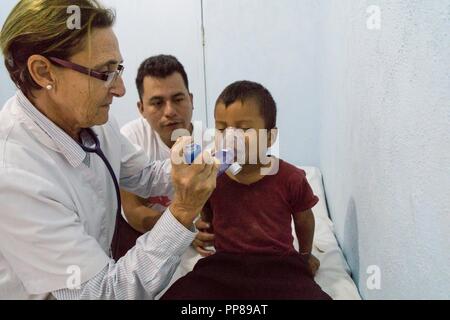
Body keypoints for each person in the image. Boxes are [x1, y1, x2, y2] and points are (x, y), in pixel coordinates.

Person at [0, 0, 217, 300]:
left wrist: (212, 160)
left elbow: (145, 175)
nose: (120, 89)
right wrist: (182, 212)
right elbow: (103, 293)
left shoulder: (93, 120)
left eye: (118, 69)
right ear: (44, 72)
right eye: (104, 73)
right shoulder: (14, 175)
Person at [161, 81, 331, 300]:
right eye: (222, 128)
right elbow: (207, 216)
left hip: (279, 265)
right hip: (225, 265)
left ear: (270, 137)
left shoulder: (291, 178)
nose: (231, 137)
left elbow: (304, 219)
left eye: (243, 129)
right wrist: (203, 228)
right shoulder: (213, 178)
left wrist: (305, 255)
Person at [112, 55, 213, 259]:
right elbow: (134, 212)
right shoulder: (130, 138)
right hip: (146, 243)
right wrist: (184, 228)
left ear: (191, 100)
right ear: (141, 109)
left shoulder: (211, 144)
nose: (170, 111)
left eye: (178, 99)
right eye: (157, 103)